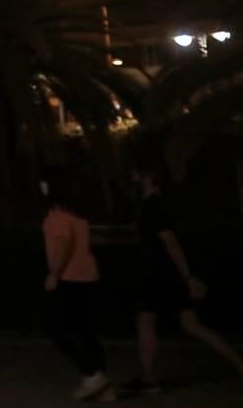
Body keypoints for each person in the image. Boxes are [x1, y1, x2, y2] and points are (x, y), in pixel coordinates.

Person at [124, 164, 243, 395]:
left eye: (137, 174)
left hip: (159, 274)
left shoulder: (152, 207)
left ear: (149, 178)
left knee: (147, 320)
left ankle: (149, 379)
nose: (133, 178)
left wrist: (187, 276)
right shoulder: (160, 205)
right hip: (168, 273)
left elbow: (170, 243)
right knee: (190, 323)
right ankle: (238, 362)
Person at [39, 168, 113, 402]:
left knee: (58, 330)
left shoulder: (57, 215)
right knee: (87, 332)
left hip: (69, 278)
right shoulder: (78, 214)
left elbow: (64, 244)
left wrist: (53, 274)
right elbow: (82, 240)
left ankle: (91, 375)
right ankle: (103, 386)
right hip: (88, 277)